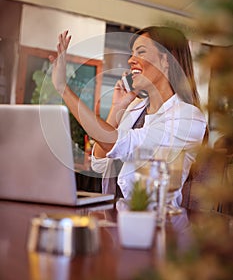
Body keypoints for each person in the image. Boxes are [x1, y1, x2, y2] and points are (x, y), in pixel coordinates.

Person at [49, 26, 207, 207]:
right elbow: (99, 162)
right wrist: (116, 108)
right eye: (132, 54)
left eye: (140, 52)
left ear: (167, 60)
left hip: (157, 225)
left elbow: (117, 143)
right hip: (116, 218)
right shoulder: (135, 108)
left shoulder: (188, 118)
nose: (131, 60)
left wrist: (63, 89)